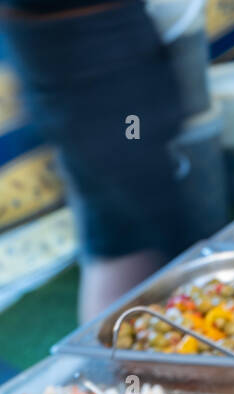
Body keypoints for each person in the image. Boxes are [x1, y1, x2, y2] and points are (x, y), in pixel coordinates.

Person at [0, 0, 186, 320]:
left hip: (84, 39)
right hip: (84, 43)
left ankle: (133, 344)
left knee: (126, 225)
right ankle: (116, 354)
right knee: (127, 231)